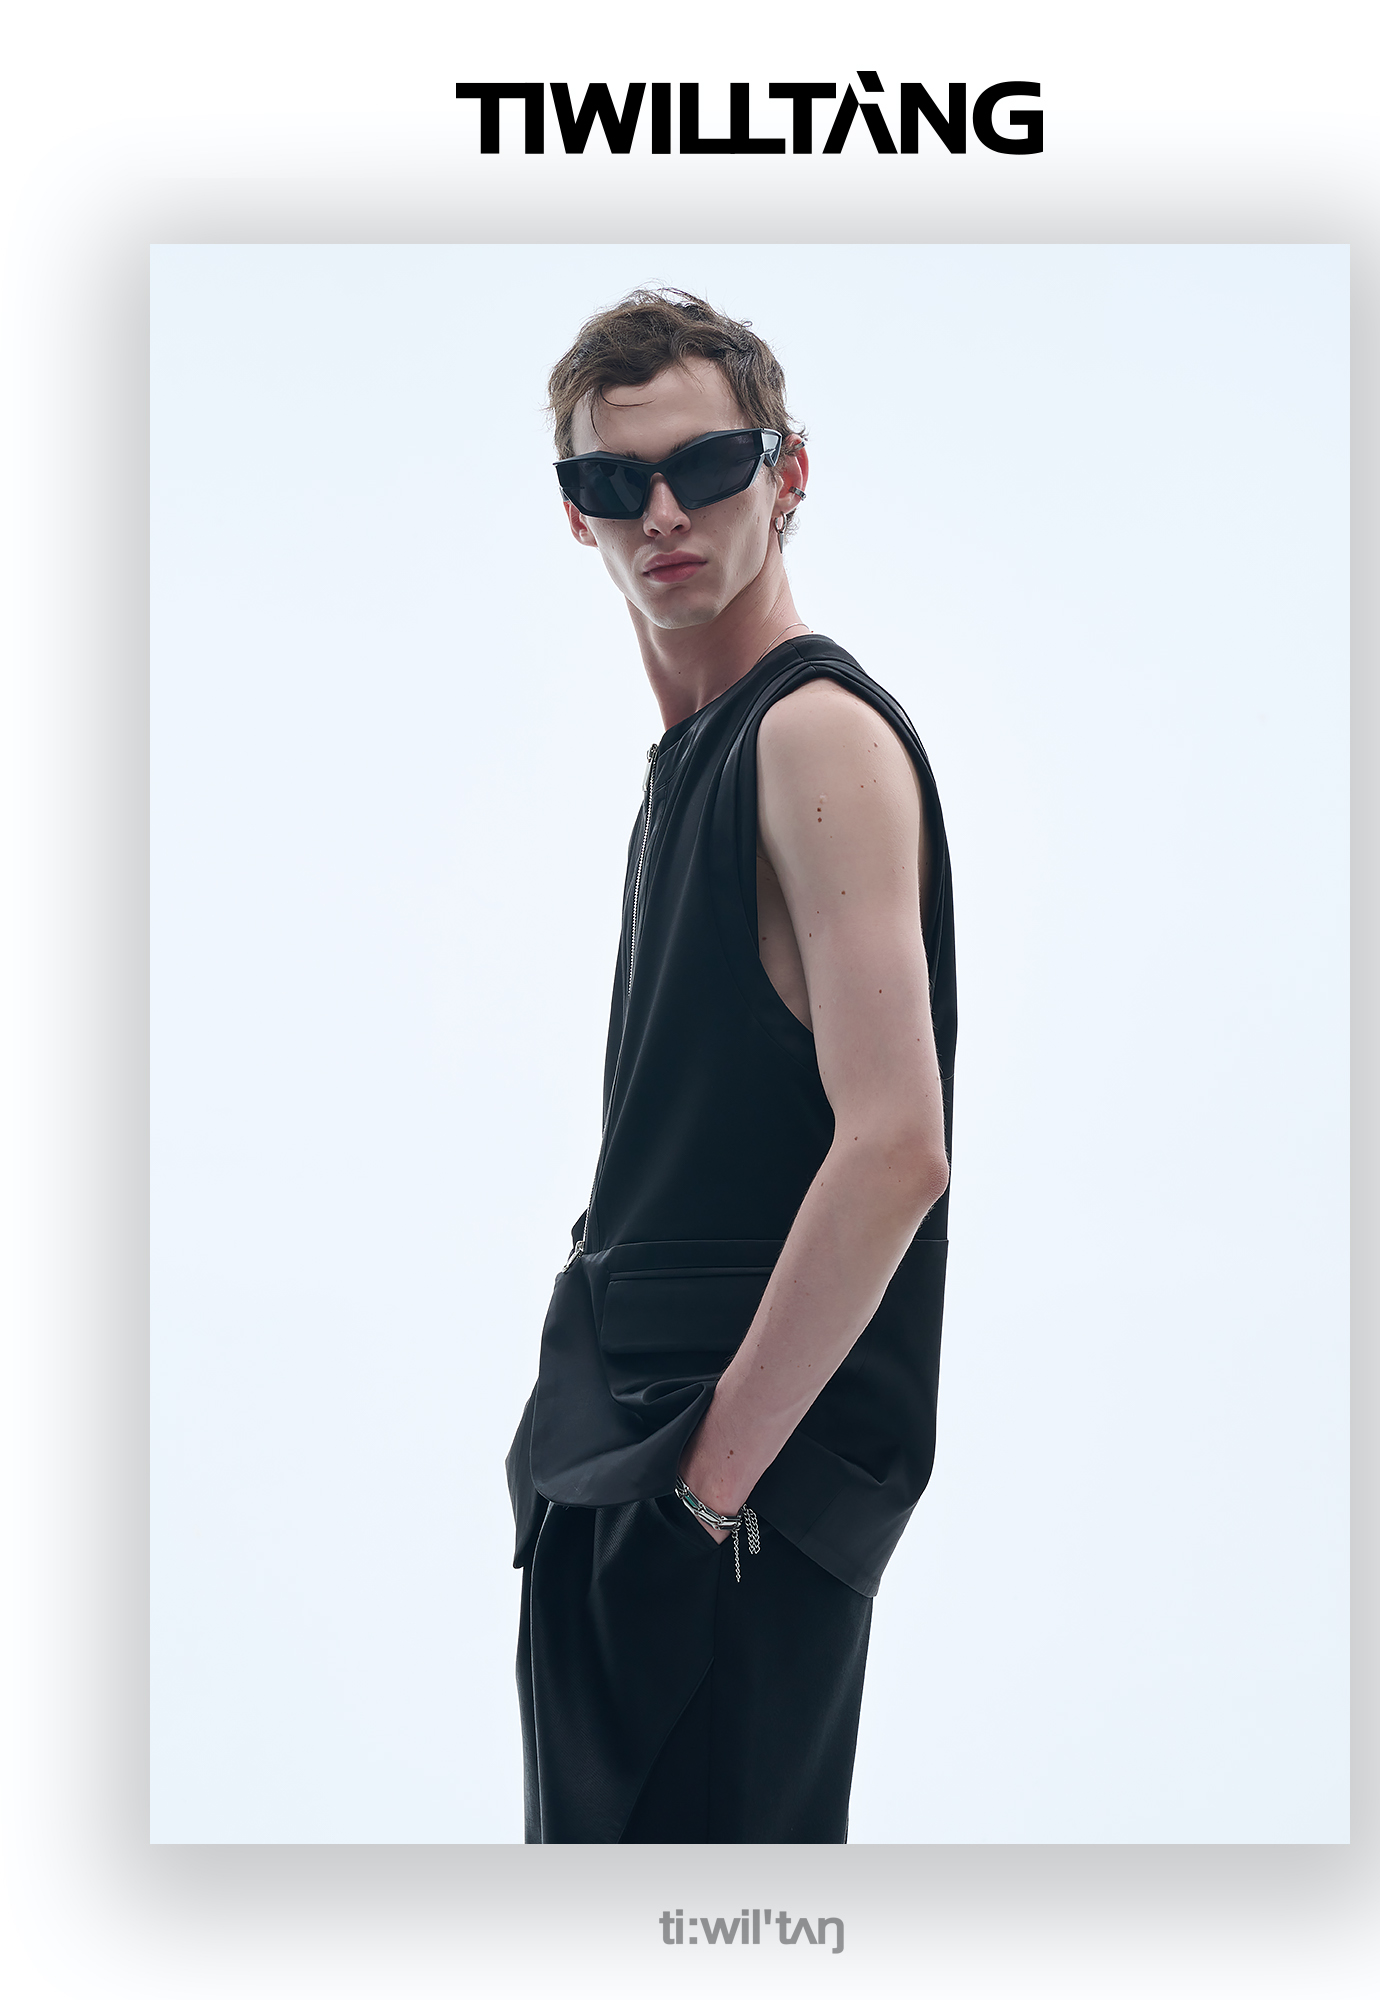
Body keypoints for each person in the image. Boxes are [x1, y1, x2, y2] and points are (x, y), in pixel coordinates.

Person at [506, 288, 957, 1843]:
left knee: (718, 1931)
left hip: (728, 1496)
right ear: (574, 513)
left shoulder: (811, 738)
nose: (662, 515)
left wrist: (706, 1492)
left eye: (706, 466)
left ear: (788, 473)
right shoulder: (701, 755)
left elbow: (896, 1147)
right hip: (628, 1461)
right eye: (612, 480)